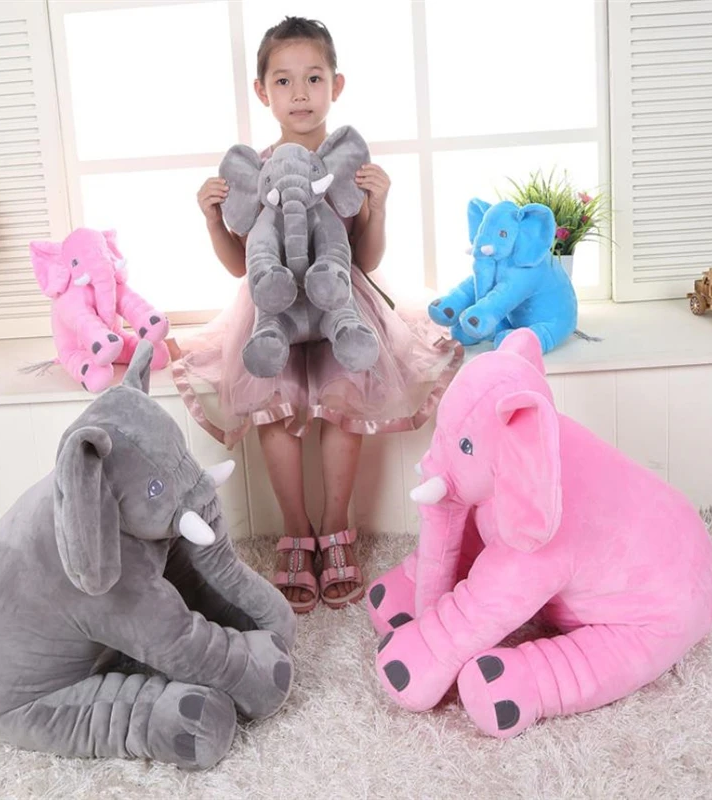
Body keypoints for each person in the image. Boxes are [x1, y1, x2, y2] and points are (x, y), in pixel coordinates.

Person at [170, 16, 462, 614]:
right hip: (272, 310)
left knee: (343, 400)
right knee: (274, 404)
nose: (299, 93)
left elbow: (365, 259)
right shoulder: (254, 169)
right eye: (283, 81)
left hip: (338, 305)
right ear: (262, 92)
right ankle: (296, 532)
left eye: (313, 78)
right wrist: (211, 220)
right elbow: (240, 265)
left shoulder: (348, 163)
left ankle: (336, 528)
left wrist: (378, 206)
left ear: (336, 85)